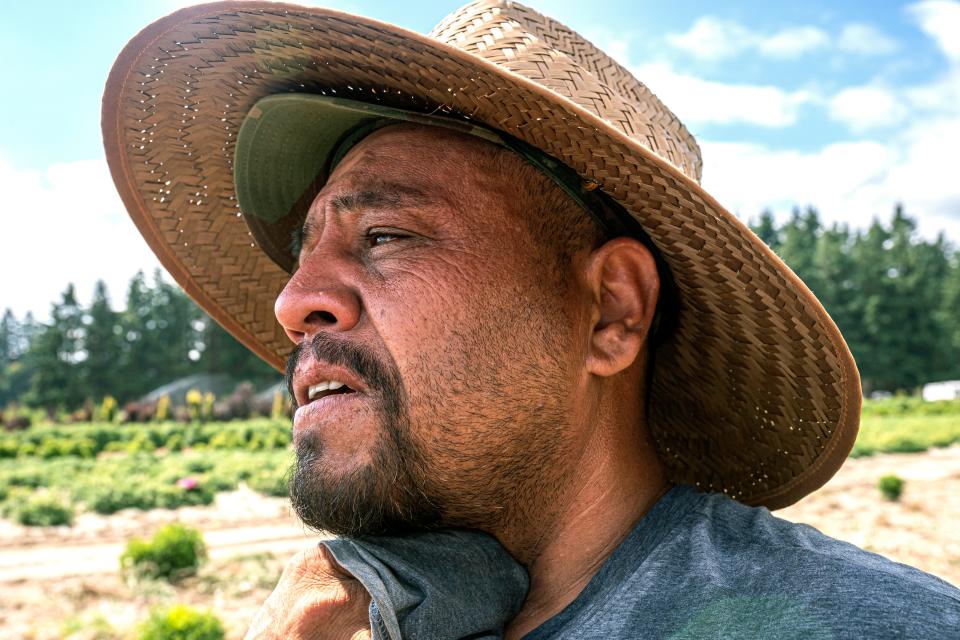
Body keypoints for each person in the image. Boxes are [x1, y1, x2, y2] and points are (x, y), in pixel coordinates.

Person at [102, 1, 960, 638]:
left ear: (610, 313)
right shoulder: (374, 614)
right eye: (302, 256)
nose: (293, 303)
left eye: (385, 234)